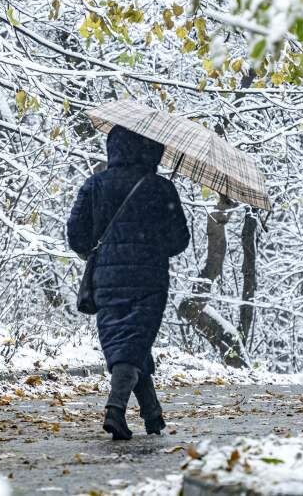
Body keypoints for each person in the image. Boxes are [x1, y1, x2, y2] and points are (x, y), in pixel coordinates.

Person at [66, 125, 190, 440]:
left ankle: (152, 414)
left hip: (106, 277)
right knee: (134, 341)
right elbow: (179, 241)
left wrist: (100, 249)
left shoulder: (95, 185)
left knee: (127, 342)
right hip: (149, 279)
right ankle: (115, 409)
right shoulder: (160, 188)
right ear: (152, 150)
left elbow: (76, 236)